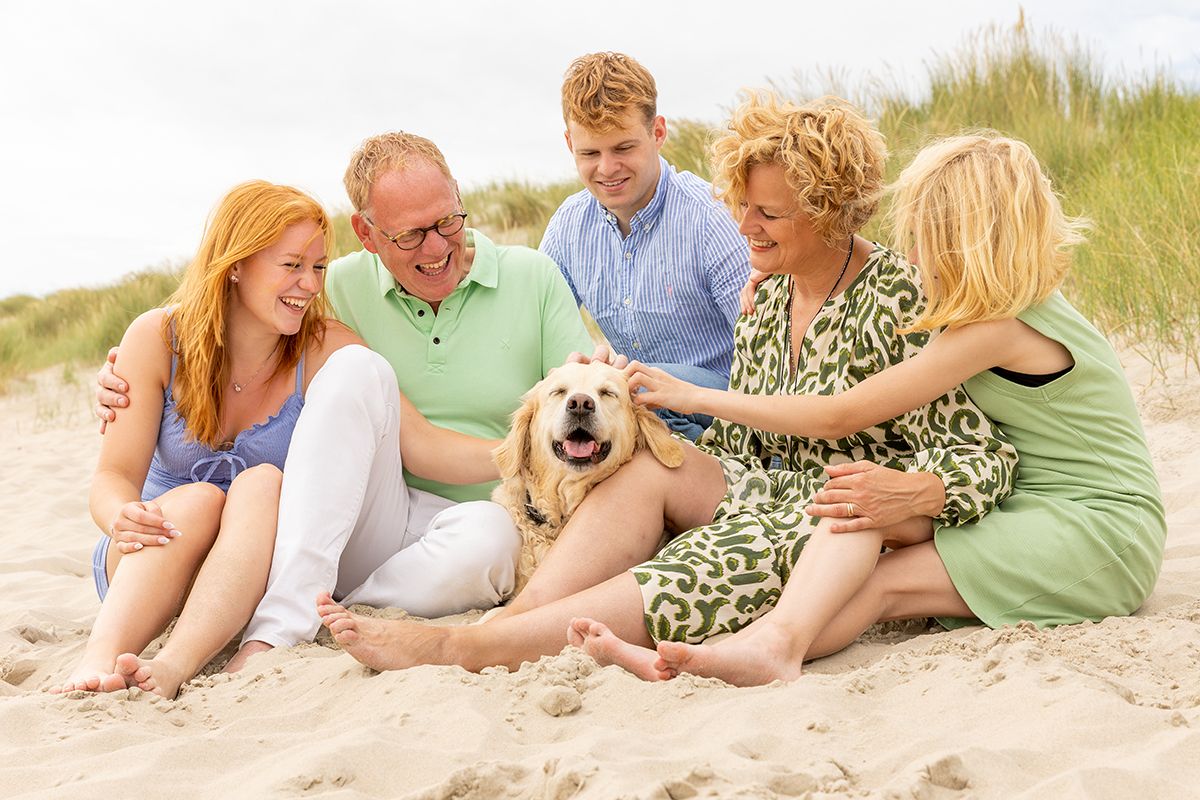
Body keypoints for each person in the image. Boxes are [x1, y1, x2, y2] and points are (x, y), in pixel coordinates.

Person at [311, 94, 1018, 677]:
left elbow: (988, 460)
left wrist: (918, 492)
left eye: (766, 215)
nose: (741, 227)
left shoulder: (896, 298)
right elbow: (743, 445)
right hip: (762, 489)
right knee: (650, 468)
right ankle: (511, 621)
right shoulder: (768, 297)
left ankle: (469, 647)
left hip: (840, 515)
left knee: (693, 568)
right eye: (743, 206)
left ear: (829, 213)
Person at [612, 133, 1166, 685]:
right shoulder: (994, 298)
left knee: (882, 581)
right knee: (860, 514)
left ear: (971, 242)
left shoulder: (996, 327)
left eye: (928, 239)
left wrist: (694, 396)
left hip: (1100, 525)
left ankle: (769, 650)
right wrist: (774, 272)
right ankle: (731, 655)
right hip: (1027, 506)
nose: (915, 256)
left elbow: (839, 415)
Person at [96, 132, 597, 669]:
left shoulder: (325, 325)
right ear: (367, 234)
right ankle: (272, 624)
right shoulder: (314, 296)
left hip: (355, 533)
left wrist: (536, 450)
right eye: (410, 235)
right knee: (220, 489)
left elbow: (425, 442)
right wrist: (119, 378)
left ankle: (324, 610)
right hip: (217, 534)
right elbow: (118, 467)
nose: (437, 246)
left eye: (449, 221)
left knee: (487, 536)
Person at [56, 181, 356, 696]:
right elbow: (112, 476)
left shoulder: (327, 348)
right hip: (149, 559)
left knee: (263, 482)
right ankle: (97, 658)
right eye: (291, 265)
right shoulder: (158, 337)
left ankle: (172, 667)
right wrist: (120, 517)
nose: (309, 284)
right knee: (197, 500)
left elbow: (403, 437)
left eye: (318, 267)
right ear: (235, 263)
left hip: (250, 574)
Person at [539, 52, 750, 441]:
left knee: (633, 386)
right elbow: (534, 330)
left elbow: (766, 360)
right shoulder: (568, 225)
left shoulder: (711, 219)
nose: (606, 168)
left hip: (724, 403)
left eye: (623, 148)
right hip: (633, 399)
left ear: (658, 132)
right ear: (570, 144)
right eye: (589, 153)